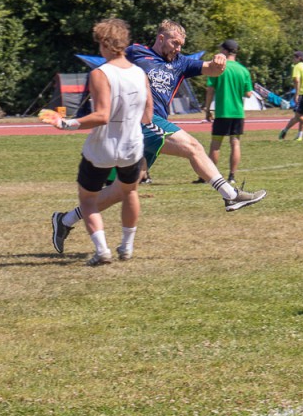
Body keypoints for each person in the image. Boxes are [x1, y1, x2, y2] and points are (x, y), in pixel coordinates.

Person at [48, 20, 267, 247]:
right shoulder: (136, 52)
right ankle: (230, 195)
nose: (178, 48)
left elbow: (211, 69)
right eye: (175, 43)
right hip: (142, 121)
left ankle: (65, 220)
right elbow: (111, 68)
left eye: (181, 45)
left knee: (122, 190)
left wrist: (219, 62)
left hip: (153, 124)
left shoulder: (181, 62)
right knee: (193, 147)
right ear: (161, 38)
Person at [40, 19, 153, 265]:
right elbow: (148, 115)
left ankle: (102, 250)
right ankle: (127, 246)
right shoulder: (140, 73)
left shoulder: (100, 73)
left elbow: (102, 116)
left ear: (105, 43)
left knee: (88, 199)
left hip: (103, 147)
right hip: (132, 145)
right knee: (130, 191)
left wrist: (66, 123)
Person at [198, 39, 254, 185]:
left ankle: (210, 177)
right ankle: (232, 176)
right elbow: (248, 93)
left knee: (216, 145)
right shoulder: (243, 70)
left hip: (223, 111)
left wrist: (208, 109)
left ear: (224, 51)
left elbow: (210, 90)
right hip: (238, 113)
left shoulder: (218, 68)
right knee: (235, 143)